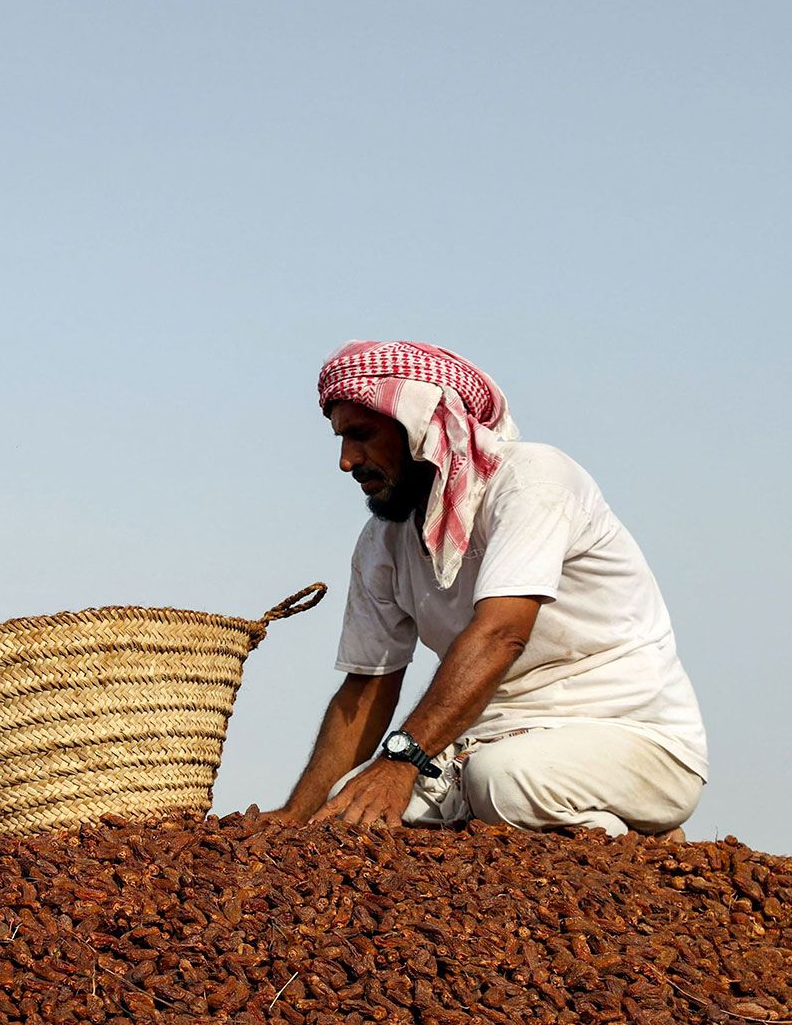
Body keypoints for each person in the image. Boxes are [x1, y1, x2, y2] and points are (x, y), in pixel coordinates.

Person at [270, 341, 706, 836]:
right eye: (341, 439)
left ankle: (648, 847)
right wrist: (294, 818)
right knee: (348, 806)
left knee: (503, 782)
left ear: (423, 427)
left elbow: (502, 634)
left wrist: (403, 759)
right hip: (480, 748)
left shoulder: (532, 482)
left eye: (362, 434)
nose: (347, 461)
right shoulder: (382, 542)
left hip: (630, 738)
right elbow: (369, 684)